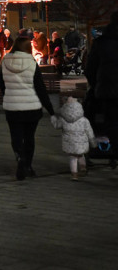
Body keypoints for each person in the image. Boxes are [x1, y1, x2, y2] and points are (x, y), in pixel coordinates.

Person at [0, 36, 55, 180]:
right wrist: (50, 109)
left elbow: (0, 82)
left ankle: (19, 157)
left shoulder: (5, 60)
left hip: (12, 106)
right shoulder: (32, 62)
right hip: (31, 107)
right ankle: (28, 165)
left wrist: (8, 94)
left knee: (16, 135)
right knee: (29, 137)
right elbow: (40, 87)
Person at [85, 11, 118, 145]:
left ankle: (112, 151)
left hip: (107, 91)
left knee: (110, 122)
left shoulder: (101, 43)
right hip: (107, 88)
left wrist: (97, 84)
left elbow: (90, 69)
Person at [51, 98, 96, 180]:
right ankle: (83, 168)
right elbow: (90, 132)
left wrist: (53, 118)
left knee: (73, 158)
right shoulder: (84, 120)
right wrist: (93, 143)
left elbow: (56, 126)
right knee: (81, 155)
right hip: (82, 143)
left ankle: (74, 175)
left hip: (70, 143)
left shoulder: (63, 120)